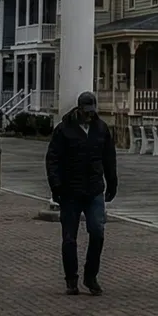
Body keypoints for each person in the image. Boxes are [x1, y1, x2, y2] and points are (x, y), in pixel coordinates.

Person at [45, 90, 118, 296]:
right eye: (86, 111)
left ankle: (91, 275)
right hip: (70, 191)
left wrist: (112, 183)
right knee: (69, 238)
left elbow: (109, 159)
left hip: (94, 189)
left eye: (92, 111)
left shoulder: (101, 129)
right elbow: (53, 160)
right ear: (78, 109)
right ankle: (71, 279)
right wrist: (56, 186)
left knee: (97, 232)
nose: (90, 115)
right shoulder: (63, 130)